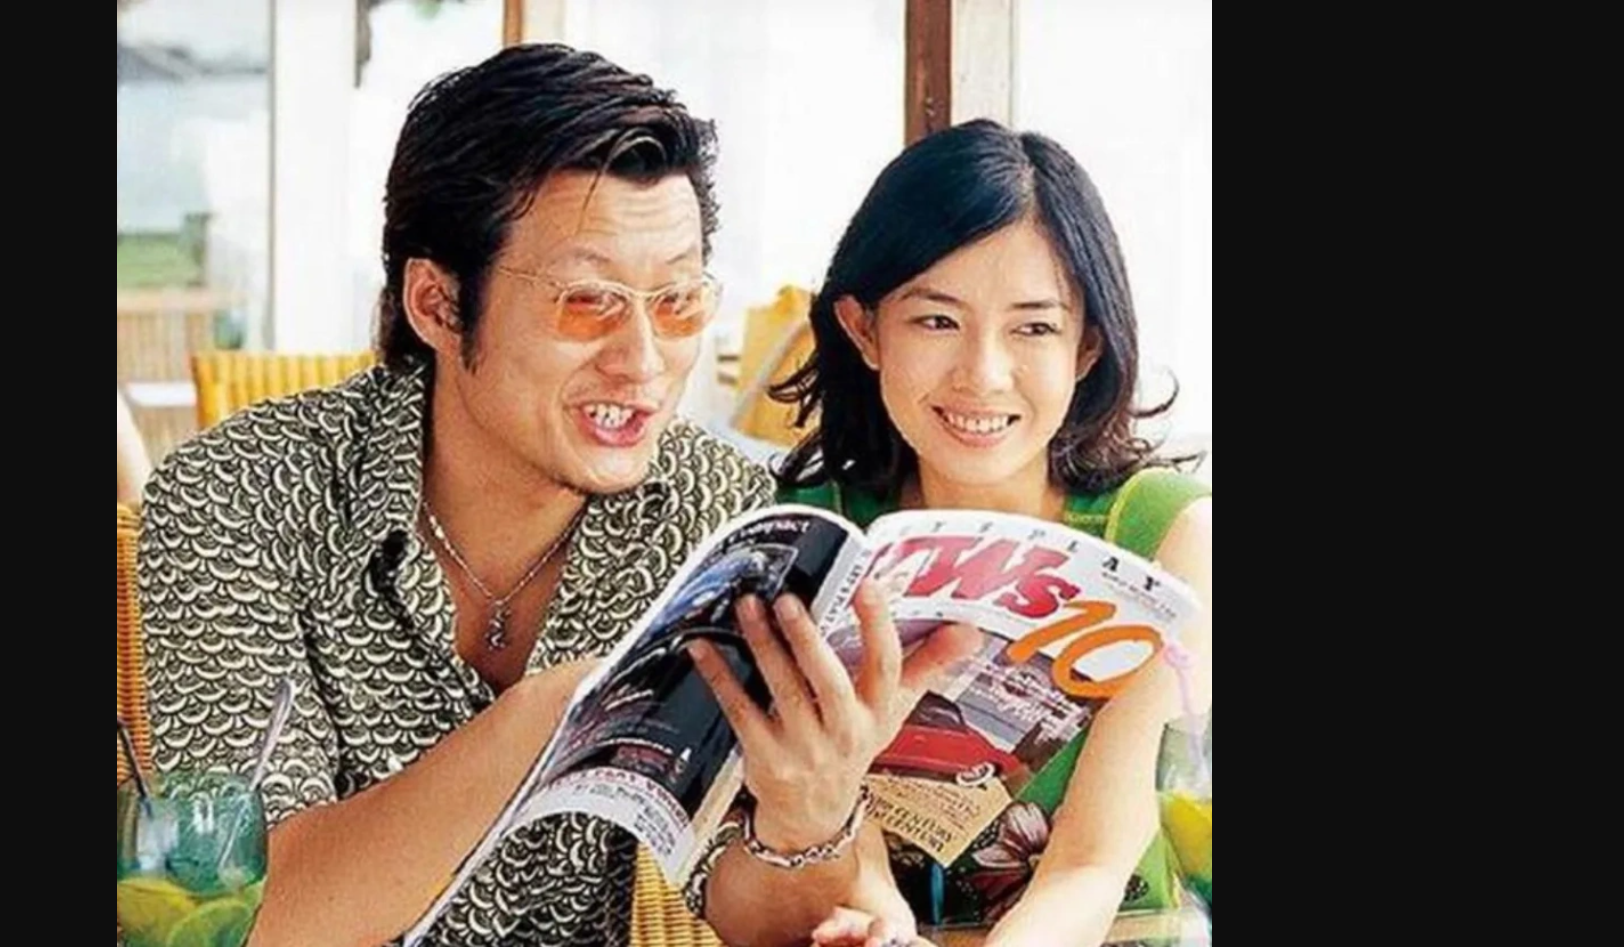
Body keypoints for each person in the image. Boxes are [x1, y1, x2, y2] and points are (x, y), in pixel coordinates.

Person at [137, 43, 976, 947]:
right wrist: (559, 714)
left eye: (678, 302)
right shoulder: (236, 496)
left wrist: (807, 818)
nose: (644, 362)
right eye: (587, 301)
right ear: (437, 303)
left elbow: (748, 905)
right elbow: (255, 921)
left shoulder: (718, 513)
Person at [770, 119, 1213, 947]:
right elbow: (829, 817)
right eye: (937, 321)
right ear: (864, 328)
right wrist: (887, 919)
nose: (983, 373)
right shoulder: (813, 532)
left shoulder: (1167, 538)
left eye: (1033, 327)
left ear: (1087, 346)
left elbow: (1091, 861)